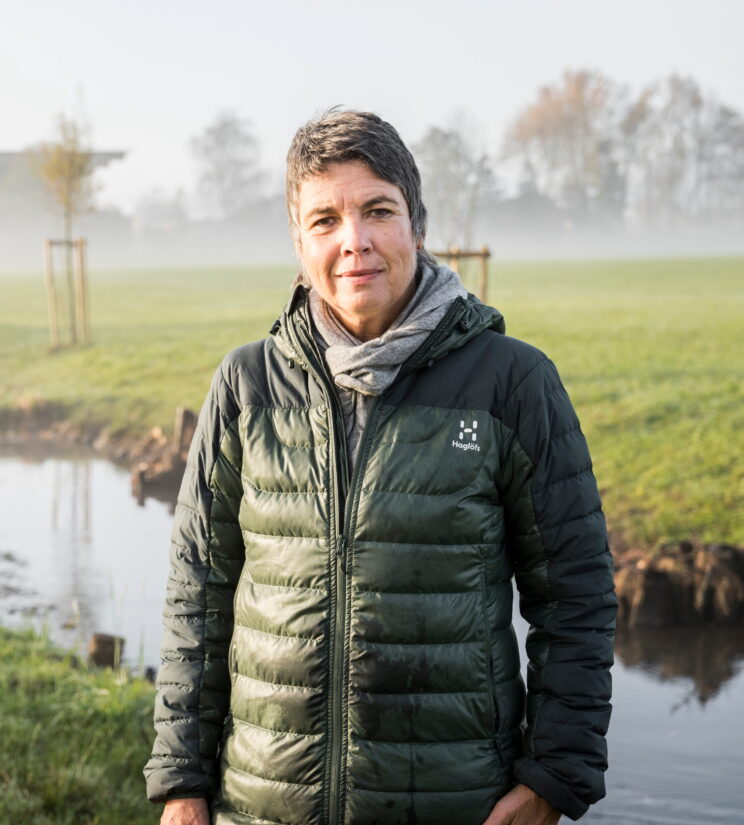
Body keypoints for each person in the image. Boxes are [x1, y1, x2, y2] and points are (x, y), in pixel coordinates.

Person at [143, 109, 615, 825]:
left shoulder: (512, 382)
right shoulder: (245, 386)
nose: (354, 241)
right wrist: (182, 781)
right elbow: (196, 597)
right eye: (325, 220)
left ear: (416, 226)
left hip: (455, 804)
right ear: (299, 242)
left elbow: (575, 594)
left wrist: (554, 776)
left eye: (378, 211)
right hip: (262, 806)